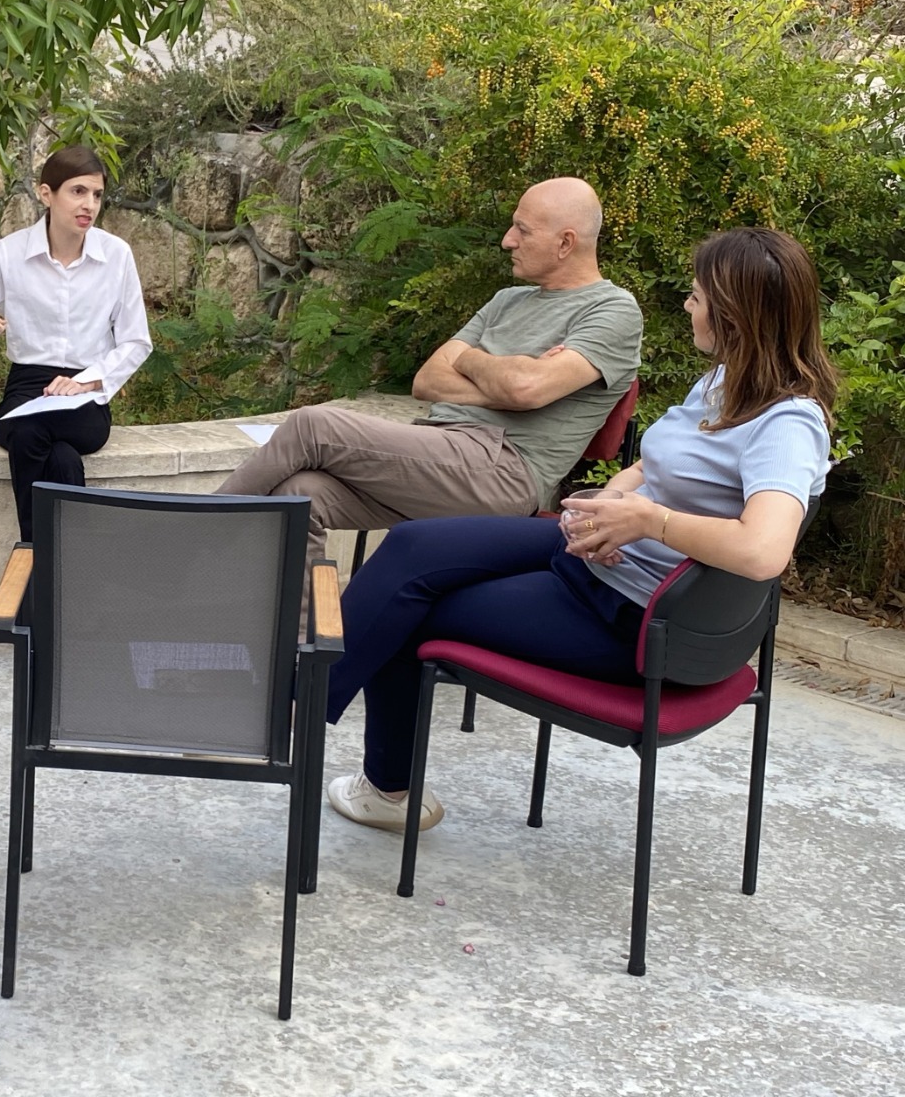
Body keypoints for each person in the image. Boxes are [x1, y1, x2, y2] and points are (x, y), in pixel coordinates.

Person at [323, 226, 837, 833]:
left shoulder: (787, 425)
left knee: (407, 611)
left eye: (698, 297)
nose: (687, 305)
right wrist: (612, 499)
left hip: (635, 619)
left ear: (735, 316)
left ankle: (352, 764)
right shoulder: (726, 384)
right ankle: (300, 700)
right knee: (413, 547)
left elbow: (763, 550)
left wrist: (648, 520)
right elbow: (655, 466)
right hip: (602, 559)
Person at [218, 177, 643, 565]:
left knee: (313, 426)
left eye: (522, 230)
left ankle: (192, 534)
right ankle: (307, 626)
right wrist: (503, 380)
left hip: (503, 472)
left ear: (565, 243)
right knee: (298, 496)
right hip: (439, 451)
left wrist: (469, 360)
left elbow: (525, 388)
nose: (507, 240)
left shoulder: (612, 310)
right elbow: (427, 381)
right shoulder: (506, 301)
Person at [0, 145, 152, 541]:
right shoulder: (11, 253)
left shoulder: (116, 255)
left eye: (97, 194)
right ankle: (64, 562)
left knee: (27, 432)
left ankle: (31, 553)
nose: (89, 204)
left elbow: (136, 341)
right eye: (78, 191)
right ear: (46, 194)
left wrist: (85, 381)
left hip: (86, 397)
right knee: (61, 458)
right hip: (27, 386)